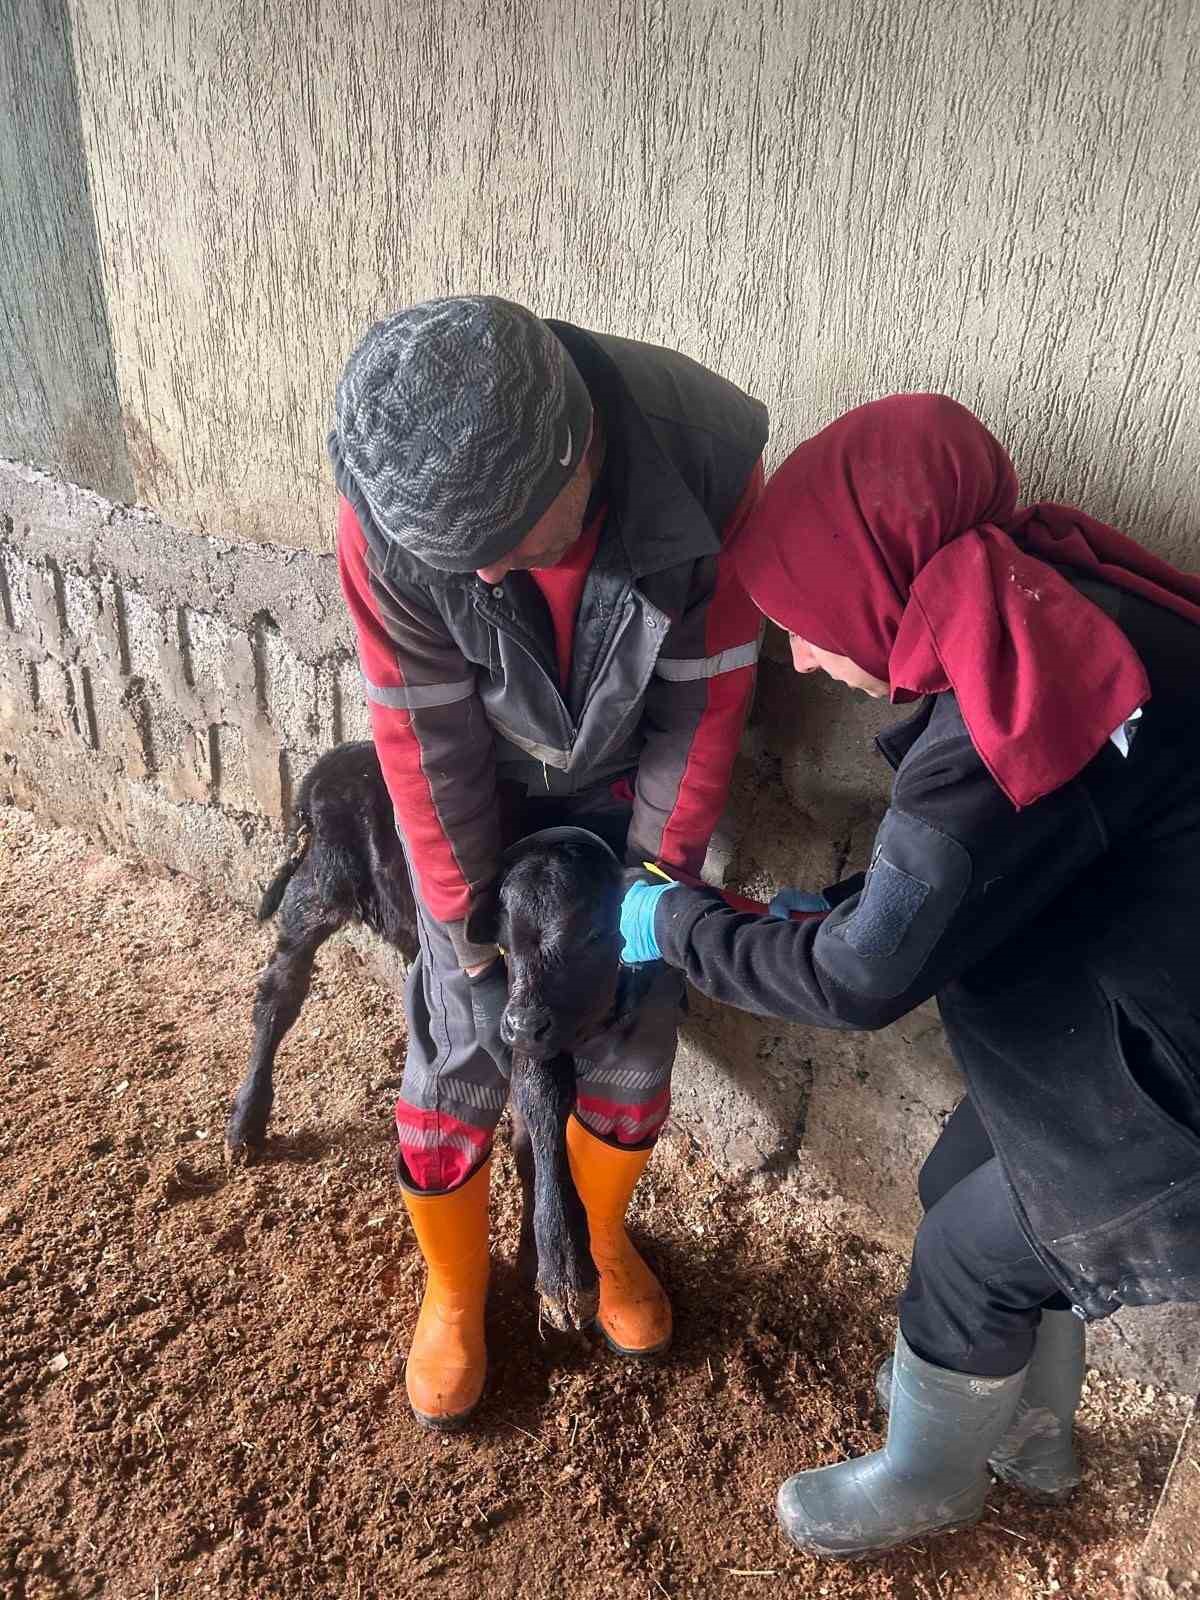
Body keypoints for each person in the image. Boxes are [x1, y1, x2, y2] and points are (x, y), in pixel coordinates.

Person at [618, 393, 1200, 1559]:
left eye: (803, 622)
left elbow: (861, 981)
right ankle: (1033, 1434)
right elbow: (993, 876)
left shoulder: (1008, 718)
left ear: (868, 588)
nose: (799, 655)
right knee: (955, 1177)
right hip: (1132, 1016)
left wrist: (672, 922)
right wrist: (829, 909)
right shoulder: (1057, 613)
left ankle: (930, 1479)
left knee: (967, 1259)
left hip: (1170, 1097)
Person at [330, 296, 768, 1428]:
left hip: (626, 787)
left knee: (634, 1011)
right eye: (458, 565)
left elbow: (701, 715)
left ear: (580, 454)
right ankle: (457, 1288)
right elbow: (425, 737)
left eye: (506, 550)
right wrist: (468, 929)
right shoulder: (388, 512)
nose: (482, 584)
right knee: (462, 1034)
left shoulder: (711, 466)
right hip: (481, 781)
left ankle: (604, 1236)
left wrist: (646, 902)